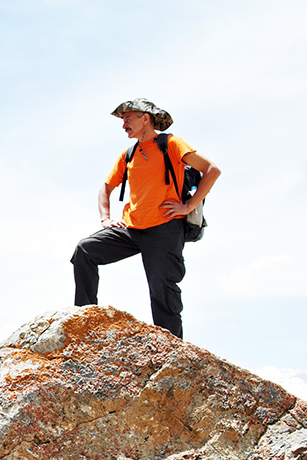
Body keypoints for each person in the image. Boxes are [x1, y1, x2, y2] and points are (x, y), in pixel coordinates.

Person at [70, 99, 221, 339]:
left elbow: (212, 169)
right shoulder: (128, 154)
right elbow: (105, 189)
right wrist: (106, 219)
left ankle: (172, 349)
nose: (123, 125)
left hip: (165, 229)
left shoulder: (171, 143)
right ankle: (85, 318)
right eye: (122, 120)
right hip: (132, 228)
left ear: (145, 118)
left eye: (127, 118)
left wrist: (188, 206)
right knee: (85, 251)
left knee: (162, 291)